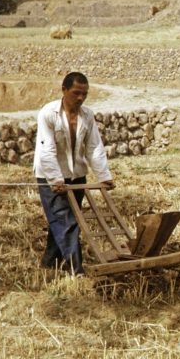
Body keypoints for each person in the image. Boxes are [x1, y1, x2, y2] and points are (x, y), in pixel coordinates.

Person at [34, 71, 114, 275]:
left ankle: (50, 262)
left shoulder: (87, 115)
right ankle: (77, 272)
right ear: (64, 90)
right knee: (66, 223)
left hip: (76, 175)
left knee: (63, 221)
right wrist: (54, 179)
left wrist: (104, 176)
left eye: (84, 94)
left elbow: (94, 147)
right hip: (50, 176)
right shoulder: (48, 113)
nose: (80, 98)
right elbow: (47, 150)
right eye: (76, 93)